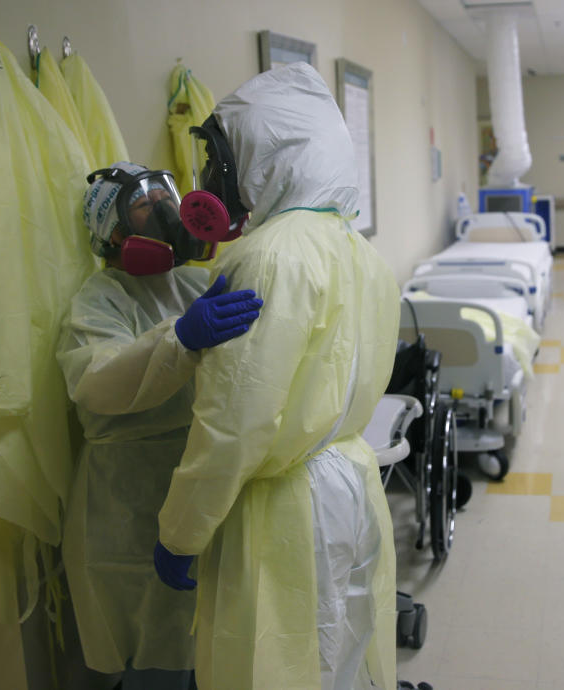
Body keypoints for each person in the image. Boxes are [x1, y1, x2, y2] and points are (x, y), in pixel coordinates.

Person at [154, 63, 401, 690]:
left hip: (288, 509)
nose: (212, 179)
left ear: (269, 153)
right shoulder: (363, 253)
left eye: (223, 158)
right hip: (352, 484)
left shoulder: (270, 255)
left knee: (274, 668)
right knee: (338, 660)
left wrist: (181, 532)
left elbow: (234, 422)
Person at [57, 162, 263, 689]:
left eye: (167, 194)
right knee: (151, 657)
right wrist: (179, 341)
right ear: (116, 231)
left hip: (197, 485)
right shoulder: (101, 299)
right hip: (129, 505)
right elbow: (96, 381)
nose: (169, 210)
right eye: (145, 204)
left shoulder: (196, 283)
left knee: (207, 649)